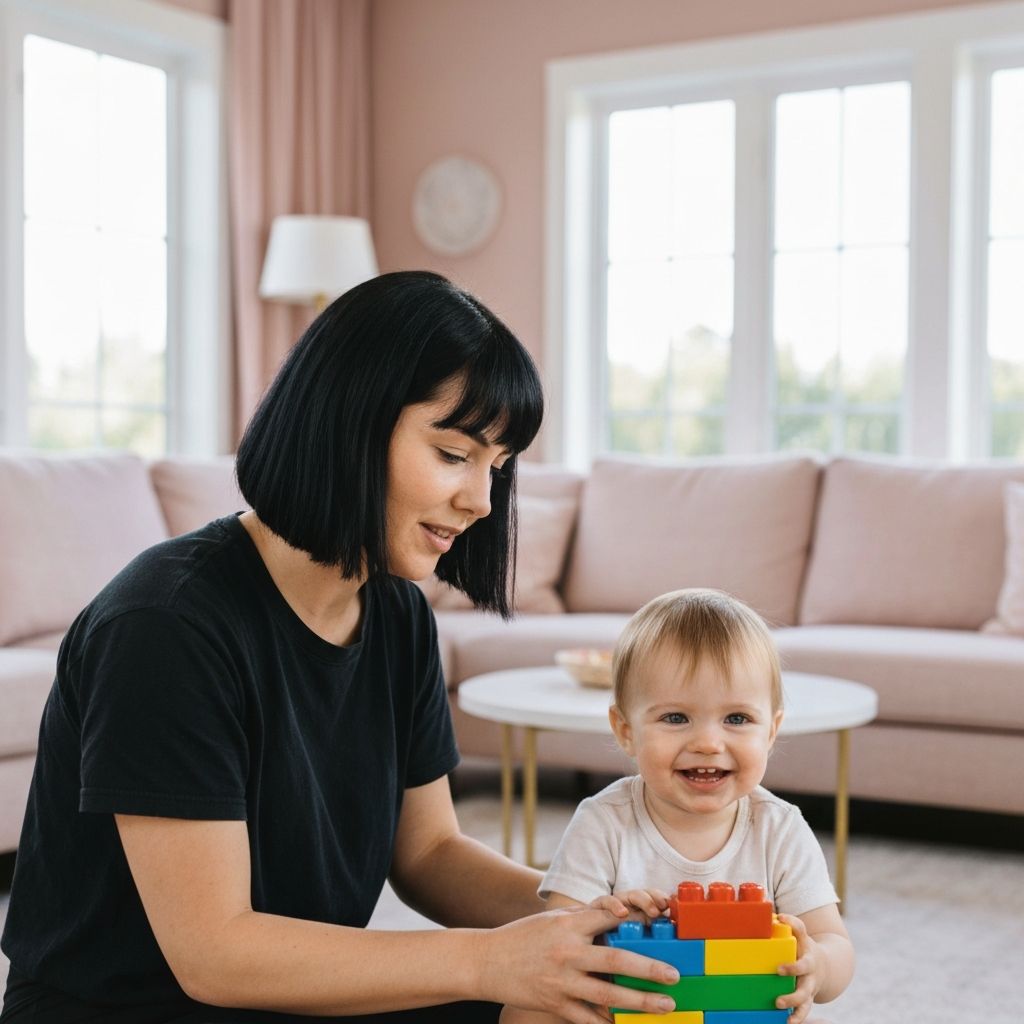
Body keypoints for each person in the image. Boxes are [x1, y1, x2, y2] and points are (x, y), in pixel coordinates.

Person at [0, 272, 680, 1024]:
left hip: (290, 1004)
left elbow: (427, 855)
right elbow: (214, 952)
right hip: (123, 1011)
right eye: (455, 454)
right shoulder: (166, 626)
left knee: (593, 1005)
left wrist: (590, 920)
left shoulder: (396, 615)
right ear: (348, 422)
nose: (482, 502)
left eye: (498, 467)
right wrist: (492, 961)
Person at [501, 588, 855, 1024]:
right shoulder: (604, 820)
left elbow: (835, 946)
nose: (708, 743)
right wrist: (607, 921)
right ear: (626, 730)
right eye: (675, 718)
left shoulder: (779, 828)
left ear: (771, 731)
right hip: (628, 1011)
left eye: (737, 719)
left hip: (739, 1009)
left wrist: (816, 964)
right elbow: (556, 944)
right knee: (525, 1011)